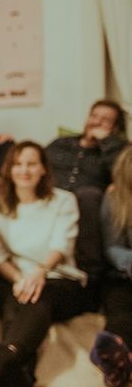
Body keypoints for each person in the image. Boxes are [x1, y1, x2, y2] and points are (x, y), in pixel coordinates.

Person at [0, 141, 84, 387]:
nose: (24, 170)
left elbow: (62, 245)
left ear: (43, 169)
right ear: (9, 169)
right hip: (16, 278)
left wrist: (39, 272)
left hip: (60, 279)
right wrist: (20, 279)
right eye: (17, 164)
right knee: (13, 303)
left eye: (31, 164)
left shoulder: (64, 201)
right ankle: (17, 373)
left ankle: (2, 359)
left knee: (38, 295)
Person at [46, 99, 129, 310]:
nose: (97, 122)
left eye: (105, 120)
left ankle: (91, 282)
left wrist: (106, 142)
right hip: (50, 203)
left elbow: (124, 176)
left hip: (88, 207)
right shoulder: (60, 144)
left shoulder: (117, 149)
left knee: (88, 195)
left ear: (115, 128)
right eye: (94, 116)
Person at [90, 146, 132, 387]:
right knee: (121, 309)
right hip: (122, 274)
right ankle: (114, 359)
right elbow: (112, 247)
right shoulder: (115, 197)